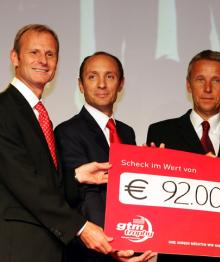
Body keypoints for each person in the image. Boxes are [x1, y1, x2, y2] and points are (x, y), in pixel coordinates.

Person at [0, 24, 116, 261]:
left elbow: (42, 180)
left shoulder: (38, 114)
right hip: (18, 247)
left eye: (50, 54)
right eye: (34, 52)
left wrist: (76, 176)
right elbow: (26, 185)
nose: (43, 60)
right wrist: (82, 227)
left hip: (44, 248)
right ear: (15, 57)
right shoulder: (4, 109)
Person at [146, 50, 220, 261]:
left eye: (216, 80)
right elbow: (153, 202)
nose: (207, 88)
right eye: (200, 79)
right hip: (178, 253)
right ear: (188, 85)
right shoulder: (161, 132)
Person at [55, 52, 156, 262]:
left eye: (110, 76)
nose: (101, 84)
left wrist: (156, 167)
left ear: (121, 84)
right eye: (93, 76)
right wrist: (116, 244)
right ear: (80, 85)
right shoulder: (67, 131)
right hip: (89, 253)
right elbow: (86, 195)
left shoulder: (127, 133)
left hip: (126, 249)